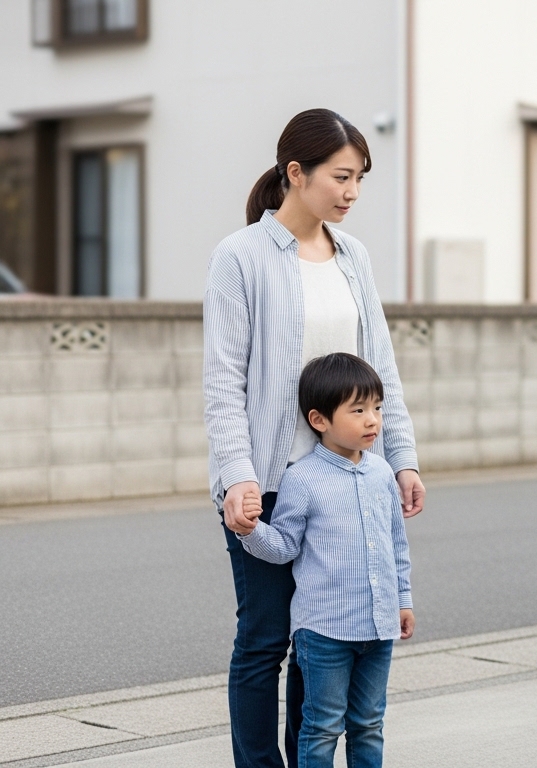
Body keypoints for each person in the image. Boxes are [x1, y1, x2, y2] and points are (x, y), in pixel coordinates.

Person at [204, 108, 423, 768]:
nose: (352, 192)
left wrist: (403, 458)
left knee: (319, 641)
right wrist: (238, 476)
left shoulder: (353, 256)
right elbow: (223, 379)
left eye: (359, 179)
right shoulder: (240, 256)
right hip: (268, 484)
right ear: (296, 173)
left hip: (345, 480)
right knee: (265, 639)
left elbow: (381, 368)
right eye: (341, 177)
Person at [233, 353, 414, 768]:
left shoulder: (382, 473)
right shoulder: (302, 478)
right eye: (358, 410)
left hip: (379, 627)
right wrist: (251, 530)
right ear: (319, 420)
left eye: (377, 408)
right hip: (325, 632)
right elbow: (285, 546)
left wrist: (403, 599)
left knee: (369, 723)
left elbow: (396, 545)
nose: (372, 420)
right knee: (322, 727)